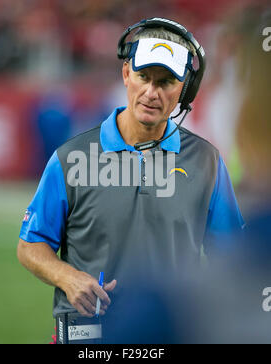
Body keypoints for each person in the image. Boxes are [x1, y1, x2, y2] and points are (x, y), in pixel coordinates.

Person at [17, 17, 244, 344]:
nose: (152, 92)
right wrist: (67, 277)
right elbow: (30, 245)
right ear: (126, 74)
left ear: (185, 89)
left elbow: (233, 258)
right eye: (143, 77)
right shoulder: (69, 158)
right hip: (88, 339)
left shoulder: (206, 162)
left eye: (166, 81)